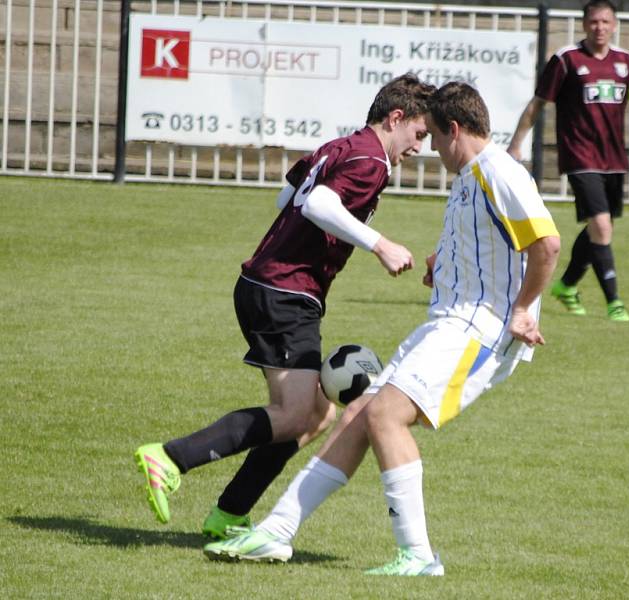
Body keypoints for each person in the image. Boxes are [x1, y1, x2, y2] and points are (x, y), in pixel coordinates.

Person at [203, 82, 561, 576]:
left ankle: (417, 555)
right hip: (446, 322)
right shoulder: (471, 177)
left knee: (386, 416)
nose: (429, 148)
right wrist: (445, 262)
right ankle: (278, 531)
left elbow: (547, 244)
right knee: (358, 416)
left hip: (477, 331)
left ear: (455, 130)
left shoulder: (501, 172)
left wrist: (523, 309)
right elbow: (490, 243)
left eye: (434, 136)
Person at [133, 74, 436, 538]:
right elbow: (316, 203)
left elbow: (289, 193)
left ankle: (230, 512)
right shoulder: (371, 160)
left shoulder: (342, 146)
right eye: (419, 134)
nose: (420, 146)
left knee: (317, 414)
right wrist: (380, 244)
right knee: (296, 413)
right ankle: (171, 458)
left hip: (275, 285)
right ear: (396, 118)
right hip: (284, 292)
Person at [507, 0, 629, 321]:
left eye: (605, 22)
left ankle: (568, 285)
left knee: (600, 228)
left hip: (613, 158)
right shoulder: (567, 60)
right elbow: (537, 104)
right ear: (584, 25)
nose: (599, 28)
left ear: (614, 25)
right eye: (593, 22)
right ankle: (614, 302)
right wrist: (517, 145)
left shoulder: (625, 62)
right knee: (601, 225)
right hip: (579, 155)